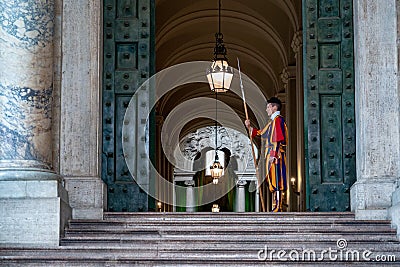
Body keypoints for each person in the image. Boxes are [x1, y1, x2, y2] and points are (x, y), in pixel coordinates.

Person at [245, 97, 288, 212]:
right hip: (271, 154)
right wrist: (249, 127)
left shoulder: (278, 120)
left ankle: (278, 206)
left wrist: (273, 154)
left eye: (268, 107)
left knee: (277, 180)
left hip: (276, 154)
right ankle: (275, 205)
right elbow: (261, 133)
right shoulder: (272, 122)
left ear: (274, 107)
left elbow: (277, 139)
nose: (266, 109)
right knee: (272, 181)